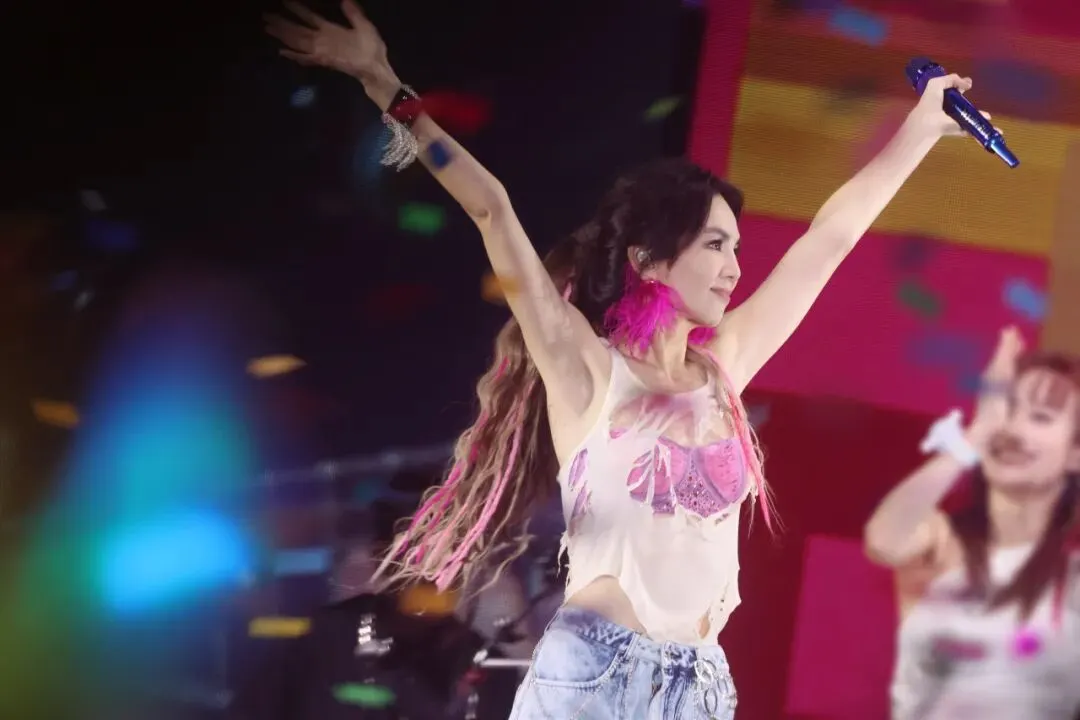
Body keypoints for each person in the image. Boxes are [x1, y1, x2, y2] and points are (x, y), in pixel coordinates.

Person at [264, 3, 989, 715]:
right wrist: (384, 84)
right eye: (715, 245)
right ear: (648, 260)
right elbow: (492, 209)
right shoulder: (586, 367)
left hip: (700, 686)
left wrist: (921, 128)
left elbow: (829, 239)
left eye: (737, 247)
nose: (735, 267)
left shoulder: (724, 370)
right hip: (596, 675)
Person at [865, 327, 1080, 719]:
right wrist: (976, 435)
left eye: (1040, 416)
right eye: (1007, 409)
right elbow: (883, 539)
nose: (1012, 429)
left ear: (1075, 453)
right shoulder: (940, 540)